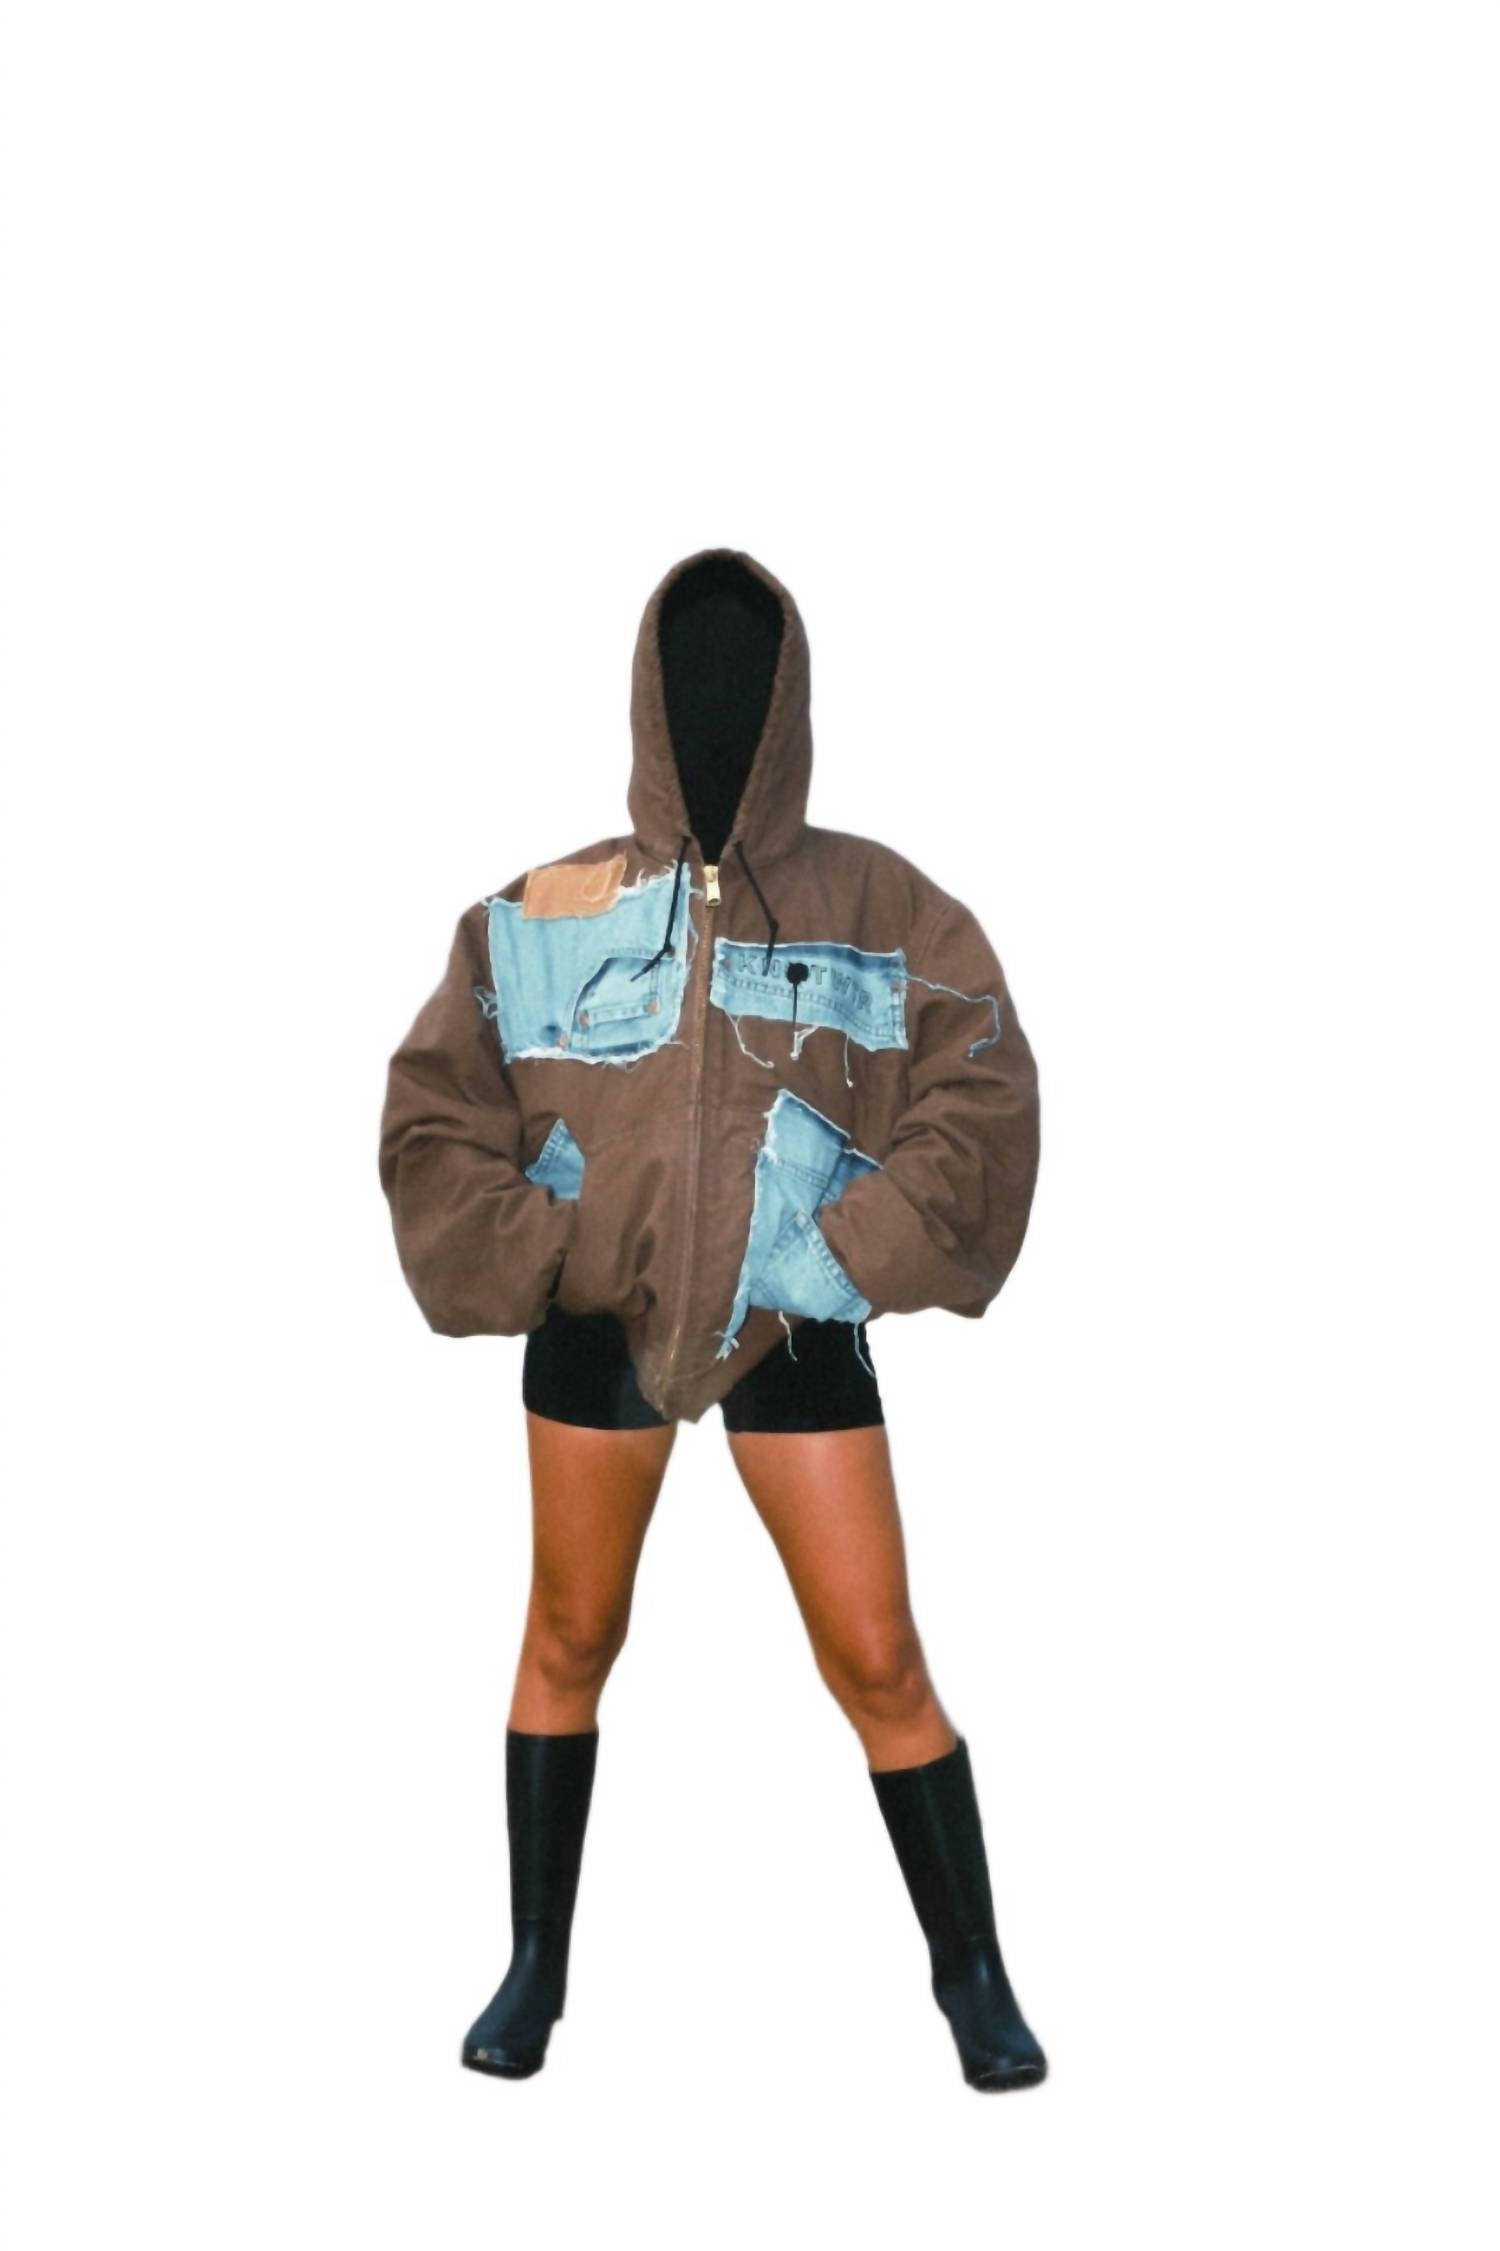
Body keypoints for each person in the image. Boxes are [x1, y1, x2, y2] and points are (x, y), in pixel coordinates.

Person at [378, 548, 1046, 2091]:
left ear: (789, 706)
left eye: (744, 689)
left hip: (789, 1324)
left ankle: (973, 1976)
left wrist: (851, 1248)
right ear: (650, 710)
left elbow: (987, 1086)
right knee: (568, 1633)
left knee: (880, 1660)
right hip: (601, 1320)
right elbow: (433, 1112)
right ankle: (534, 1969)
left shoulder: (884, 904)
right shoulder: (545, 907)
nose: (719, 714)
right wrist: (549, 1249)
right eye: (693, 691)